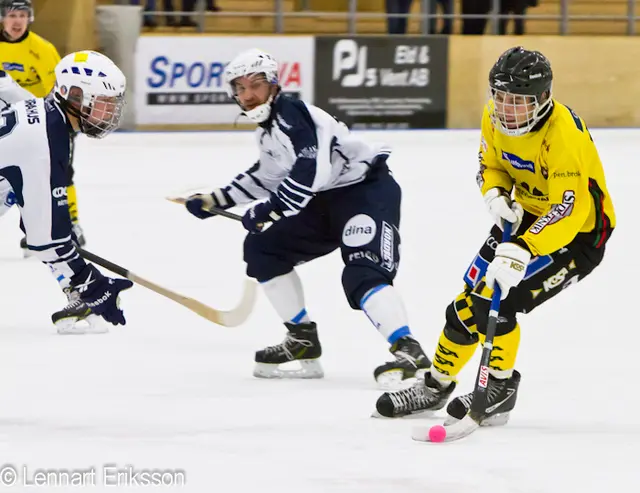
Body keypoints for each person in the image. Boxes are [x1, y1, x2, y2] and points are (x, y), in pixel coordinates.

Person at [375, 47, 615, 423]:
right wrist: (495, 193)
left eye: (517, 101)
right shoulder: (494, 115)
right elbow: (493, 164)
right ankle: (435, 386)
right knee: (466, 303)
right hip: (524, 217)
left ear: (542, 98)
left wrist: (522, 248)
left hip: (579, 235)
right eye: (500, 97)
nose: (506, 109)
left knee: (498, 304)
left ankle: (499, 389)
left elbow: (570, 210)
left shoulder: (563, 135)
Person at [182, 48, 430, 385]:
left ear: (273, 84)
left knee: (363, 271)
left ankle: (408, 350)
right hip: (323, 202)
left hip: (365, 193)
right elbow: (266, 177)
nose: (248, 95)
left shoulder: (291, 112)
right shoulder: (268, 132)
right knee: (263, 248)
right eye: (240, 88)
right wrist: (217, 199)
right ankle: (302, 339)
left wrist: (271, 209)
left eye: (255, 84)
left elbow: (311, 169)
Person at [0, 50, 133, 334]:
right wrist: (91, 283)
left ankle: (74, 289)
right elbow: (46, 238)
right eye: (103, 104)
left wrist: (78, 279)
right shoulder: (44, 141)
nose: (109, 113)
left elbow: (40, 224)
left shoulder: (45, 116)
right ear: (73, 96)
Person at [0, 0, 87, 255]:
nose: (17, 21)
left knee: (59, 173)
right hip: (5, 127)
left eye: (23, 15)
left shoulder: (42, 49)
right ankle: (34, 226)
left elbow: (58, 90)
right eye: (12, 15)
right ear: (2, 18)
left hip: (40, 124)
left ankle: (71, 224)